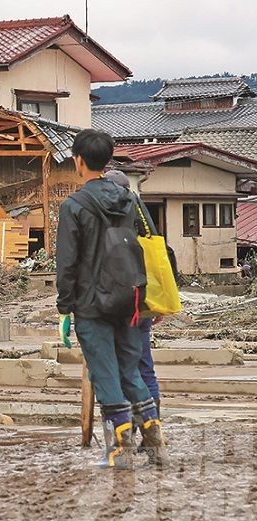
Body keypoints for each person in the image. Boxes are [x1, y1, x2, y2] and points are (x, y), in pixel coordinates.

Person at [56, 130, 167, 469]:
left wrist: (64, 308)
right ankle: (156, 445)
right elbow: (150, 246)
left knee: (105, 376)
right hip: (130, 299)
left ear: (78, 161)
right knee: (131, 373)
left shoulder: (74, 205)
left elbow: (67, 263)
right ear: (107, 160)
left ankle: (119, 452)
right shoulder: (129, 199)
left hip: (92, 304)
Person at [103, 169, 161, 413]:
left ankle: (124, 429)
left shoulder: (104, 227)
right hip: (141, 303)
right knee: (144, 366)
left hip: (116, 306)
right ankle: (152, 426)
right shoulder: (143, 229)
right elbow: (160, 263)